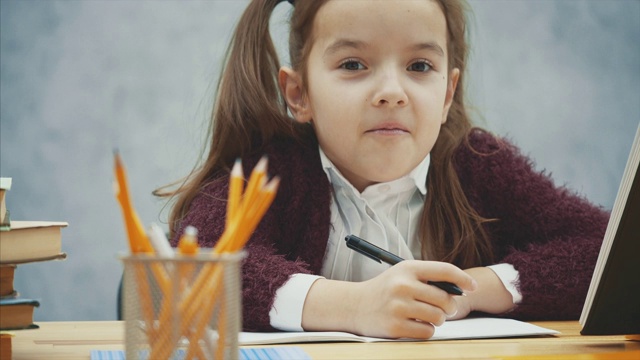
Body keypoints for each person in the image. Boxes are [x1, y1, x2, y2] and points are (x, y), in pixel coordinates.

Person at [158, 0, 609, 339]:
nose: (392, 92)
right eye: (353, 64)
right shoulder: (270, 172)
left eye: (419, 66)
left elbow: (604, 252)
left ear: (448, 91)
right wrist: (355, 306)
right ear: (298, 93)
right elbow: (198, 269)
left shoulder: (479, 165)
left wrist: (468, 292)